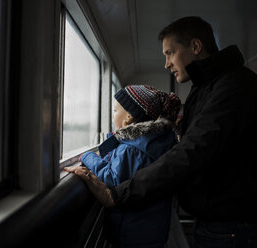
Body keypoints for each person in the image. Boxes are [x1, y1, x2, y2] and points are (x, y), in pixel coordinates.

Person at [69, 16, 257, 248]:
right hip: (219, 222)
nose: (166, 64)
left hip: (232, 227)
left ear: (196, 47)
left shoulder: (233, 86)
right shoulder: (206, 87)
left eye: (170, 53)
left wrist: (118, 194)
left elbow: (191, 152)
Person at [65, 85, 181, 248]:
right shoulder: (152, 142)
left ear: (128, 117)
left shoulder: (131, 149)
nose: (113, 116)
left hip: (132, 232)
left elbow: (112, 179)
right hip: (151, 229)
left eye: (114, 111)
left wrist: (87, 156)